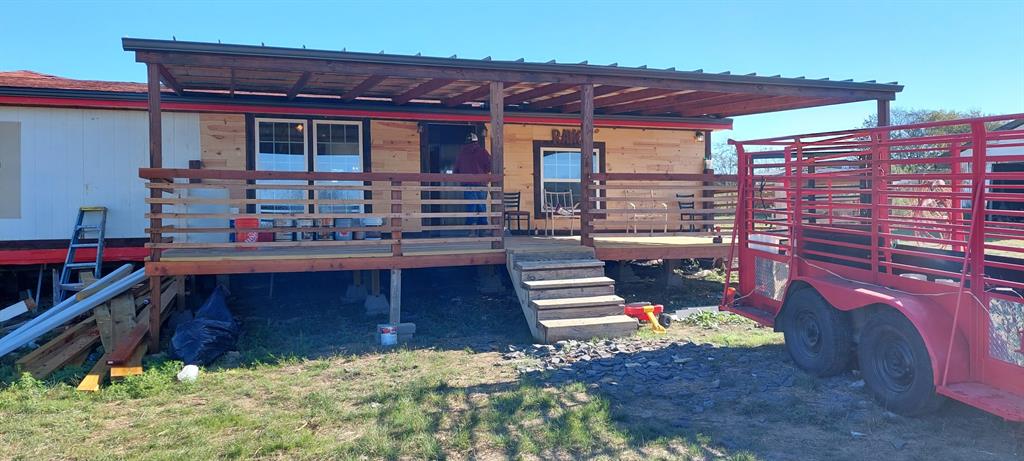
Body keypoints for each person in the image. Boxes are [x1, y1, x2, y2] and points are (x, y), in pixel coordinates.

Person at [452, 132, 492, 236]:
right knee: (481, 206)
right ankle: (482, 230)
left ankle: (470, 230)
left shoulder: (461, 154)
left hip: (468, 184)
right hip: (482, 184)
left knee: (471, 206)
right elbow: (489, 167)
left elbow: (456, 171)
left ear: (466, 142)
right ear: (476, 141)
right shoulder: (483, 152)